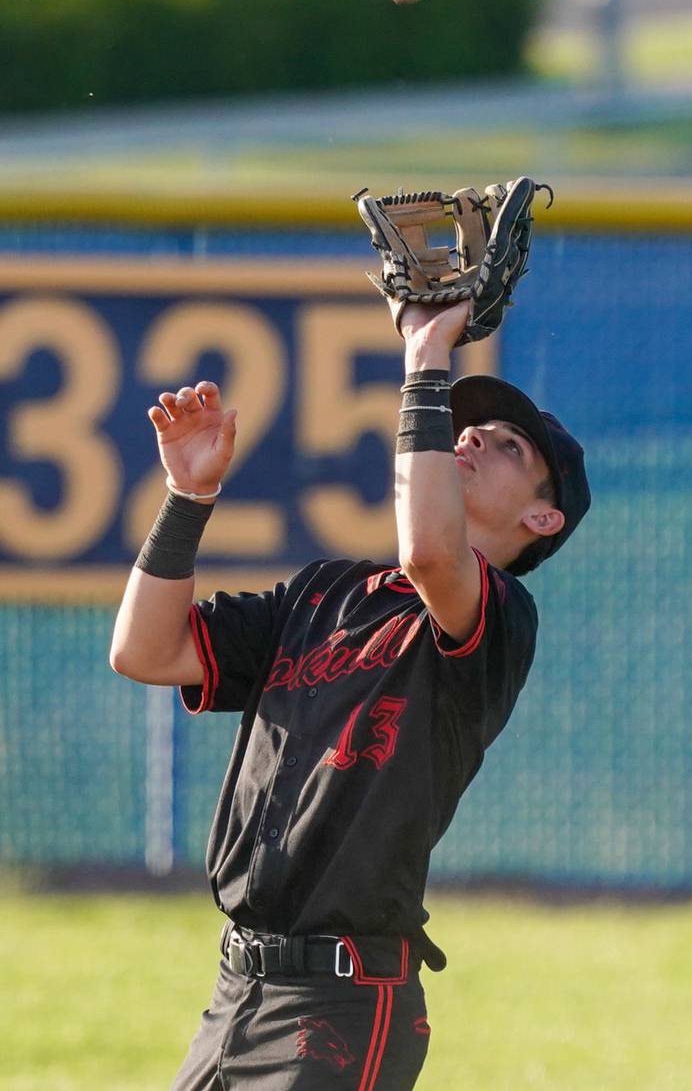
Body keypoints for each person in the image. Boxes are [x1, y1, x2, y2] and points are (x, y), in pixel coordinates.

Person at [110, 299, 590, 1090]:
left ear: (543, 514)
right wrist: (188, 497)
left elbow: (434, 553)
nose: (470, 437)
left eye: (507, 446)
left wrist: (427, 354)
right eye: (465, 428)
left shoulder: (499, 615)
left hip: (343, 1003)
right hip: (236, 992)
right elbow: (143, 649)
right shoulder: (326, 592)